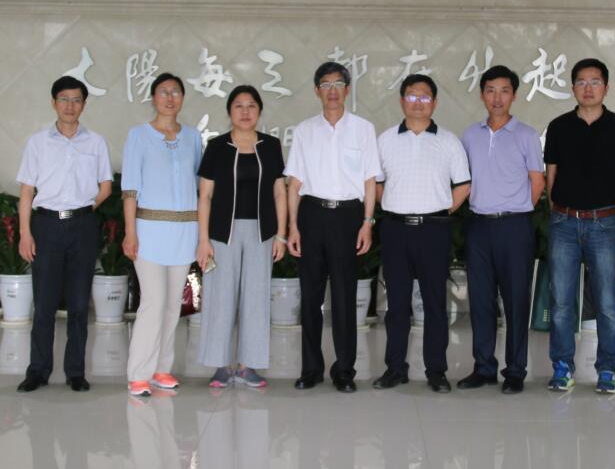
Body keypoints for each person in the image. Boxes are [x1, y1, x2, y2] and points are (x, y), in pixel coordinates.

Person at [285, 61, 381, 393]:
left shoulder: (363, 129)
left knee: (344, 296)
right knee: (310, 297)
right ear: (317, 91)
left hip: (347, 217)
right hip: (312, 215)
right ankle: (311, 369)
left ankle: (344, 371)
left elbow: (369, 181)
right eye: (325, 85)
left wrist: (367, 223)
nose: (332, 91)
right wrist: (293, 227)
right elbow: (294, 184)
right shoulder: (305, 130)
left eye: (338, 84)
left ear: (348, 89)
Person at [544, 58, 615, 394]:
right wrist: (557, 213)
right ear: (573, 88)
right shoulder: (558, 127)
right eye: (581, 82)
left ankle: (607, 369)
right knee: (561, 302)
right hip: (564, 223)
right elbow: (551, 177)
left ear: (606, 88)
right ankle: (562, 367)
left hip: (603, 224)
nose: (588, 88)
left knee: (607, 303)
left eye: (595, 82)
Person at [372, 74, 470, 393]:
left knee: (434, 303)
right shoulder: (385, 140)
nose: (418, 102)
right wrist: (395, 204)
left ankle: (436, 371)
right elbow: (376, 184)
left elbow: (463, 185)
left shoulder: (449, 141)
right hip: (396, 229)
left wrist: (440, 209)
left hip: (434, 230)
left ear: (435, 103)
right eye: (412, 96)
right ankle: (395, 368)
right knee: (397, 304)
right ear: (402, 101)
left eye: (425, 97)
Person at [16, 75, 113, 393]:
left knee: (79, 303)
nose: (70, 106)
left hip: (83, 227)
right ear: (53, 102)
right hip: (46, 226)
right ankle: (38, 370)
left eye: (76, 100)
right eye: (64, 99)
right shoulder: (37, 142)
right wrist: (25, 233)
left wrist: (83, 209)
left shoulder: (95, 142)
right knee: (44, 304)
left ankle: (75, 372)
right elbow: (27, 191)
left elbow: (105, 187)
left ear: (84, 104)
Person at [458, 65, 545, 394]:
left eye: (504, 91)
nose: (497, 98)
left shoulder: (526, 135)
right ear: (482, 95)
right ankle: (483, 368)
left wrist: (516, 208)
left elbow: (537, 182)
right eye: (490, 90)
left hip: (514, 226)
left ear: (514, 96)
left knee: (516, 300)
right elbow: (464, 180)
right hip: (479, 225)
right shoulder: (470, 135)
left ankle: (515, 371)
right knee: (481, 300)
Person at [196, 85, 287, 388]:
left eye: (251, 106)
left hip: (262, 232)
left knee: (256, 298)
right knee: (220, 298)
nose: (245, 111)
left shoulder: (270, 145)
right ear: (229, 112)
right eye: (238, 105)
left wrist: (281, 235)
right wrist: (203, 239)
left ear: (259, 111)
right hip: (223, 233)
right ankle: (220, 366)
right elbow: (205, 196)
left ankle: (248, 366)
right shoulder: (217, 146)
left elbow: (279, 192)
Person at [121, 72, 203, 397]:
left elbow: (200, 187)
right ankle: (138, 373)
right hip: (149, 232)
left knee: (172, 306)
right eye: (164, 92)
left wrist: (202, 235)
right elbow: (130, 189)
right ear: (153, 98)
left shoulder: (193, 137)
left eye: (176, 92)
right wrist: (130, 232)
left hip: (185, 231)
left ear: (183, 98)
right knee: (152, 303)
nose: (170, 98)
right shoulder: (138, 135)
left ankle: (161, 369)